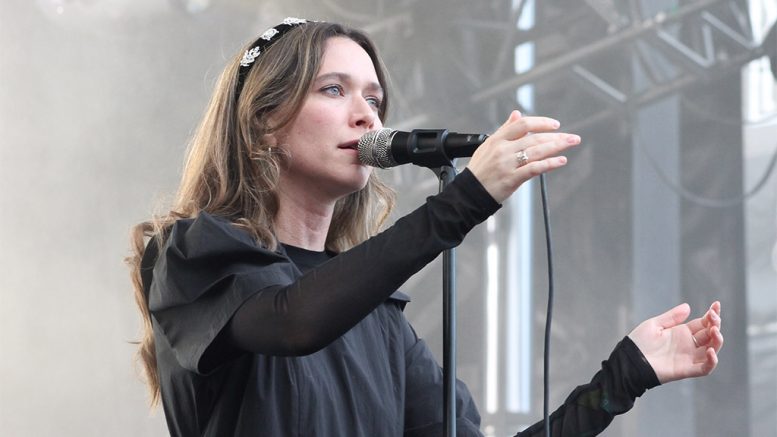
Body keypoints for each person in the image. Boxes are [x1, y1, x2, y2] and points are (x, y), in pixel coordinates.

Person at [127, 18, 724, 437]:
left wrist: (623, 377)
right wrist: (465, 200)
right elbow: (292, 320)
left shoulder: (379, 320)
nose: (367, 115)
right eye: (334, 90)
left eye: (376, 99)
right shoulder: (191, 257)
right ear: (263, 124)